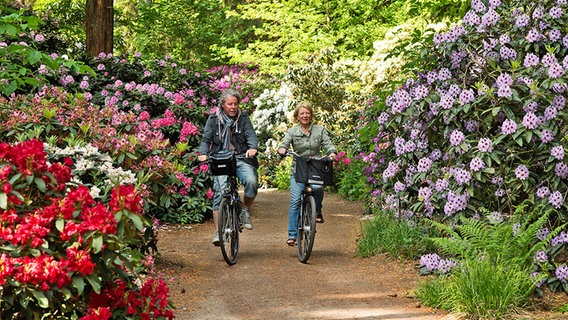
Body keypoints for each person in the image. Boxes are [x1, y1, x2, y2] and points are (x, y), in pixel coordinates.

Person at [198, 89, 259, 246]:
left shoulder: (243, 118)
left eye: (236, 104)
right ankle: (219, 232)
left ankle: (245, 209)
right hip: (220, 158)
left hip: (240, 157)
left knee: (251, 181)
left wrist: (252, 148)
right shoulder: (213, 119)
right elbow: (205, 139)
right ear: (222, 105)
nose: (233, 107)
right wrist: (203, 153)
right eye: (230, 104)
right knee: (220, 192)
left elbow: (250, 134)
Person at [277, 102, 337, 246]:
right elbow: (284, 144)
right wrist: (282, 150)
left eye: (307, 113)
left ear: (311, 115)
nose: (305, 116)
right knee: (296, 200)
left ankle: (317, 211)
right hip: (298, 170)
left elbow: (328, 144)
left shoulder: (319, 130)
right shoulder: (292, 131)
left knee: (317, 189)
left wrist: (332, 153)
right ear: (297, 116)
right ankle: (292, 235)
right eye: (302, 113)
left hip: (316, 168)